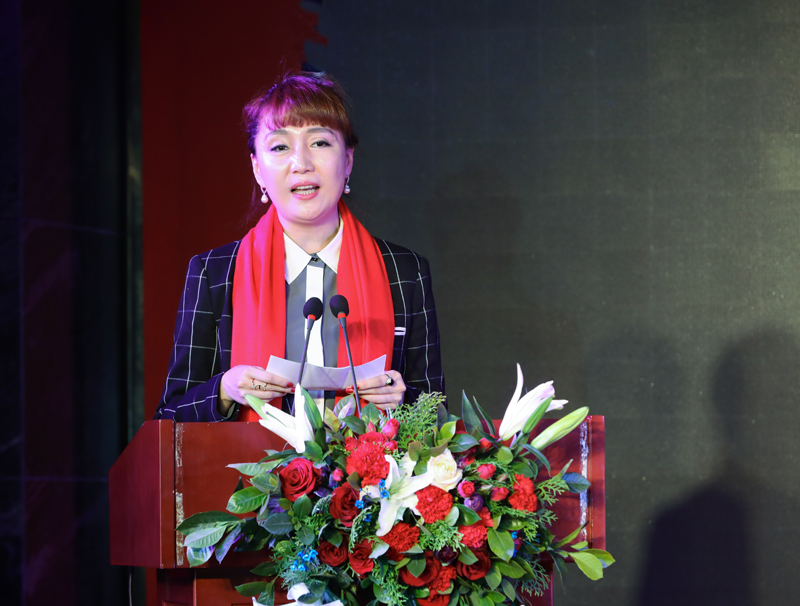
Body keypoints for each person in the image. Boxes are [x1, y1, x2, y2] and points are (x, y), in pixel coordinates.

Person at [154, 72, 444, 422]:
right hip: (248, 461)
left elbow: (436, 414)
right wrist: (224, 391)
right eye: (280, 147)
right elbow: (169, 417)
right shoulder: (214, 273)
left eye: (319, 143)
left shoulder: (405, 271)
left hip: (371, 461)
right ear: (257, 168)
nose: (302, 164)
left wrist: (402, 400)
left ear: (348, 160)